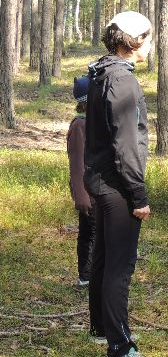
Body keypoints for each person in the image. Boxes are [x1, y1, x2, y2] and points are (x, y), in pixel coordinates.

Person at [84, 11, 161, 357]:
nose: (151, 44)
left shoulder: (100, 72)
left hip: (100, 180)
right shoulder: (123, 83)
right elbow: (127, 146)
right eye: (149, 38)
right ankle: (119, 352)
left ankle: (102, 328)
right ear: (135, 41)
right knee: (119, 266)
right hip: (116, 186)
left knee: (102, 259)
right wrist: (139, 195)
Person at [67, 75, 94, 289]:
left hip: (98, 188)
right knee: (89, 233)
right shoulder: (79, 125)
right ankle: (85, 276)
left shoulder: (93, 122)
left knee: (97, 232)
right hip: (87, 191)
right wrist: (82, 196)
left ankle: (94, 272)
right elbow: (77, 164)